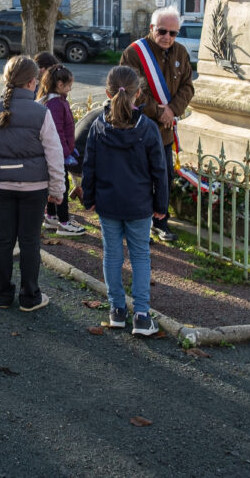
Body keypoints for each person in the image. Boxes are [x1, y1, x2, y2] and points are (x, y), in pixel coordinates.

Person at [81, 66, 168, 337]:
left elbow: (89, 166)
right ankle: (141, 315)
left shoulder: (98, 126)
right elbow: (160, 171)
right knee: (140, 256)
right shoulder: (148, 128)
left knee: (112, 254)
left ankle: (116, 310)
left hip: (108, 202)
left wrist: (89, 198)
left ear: (108, 93)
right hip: (139, 203)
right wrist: (161, 205)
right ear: (138, 93)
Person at [0, 56, 65, 312]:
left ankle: (2, 294)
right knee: (29, 241)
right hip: (34, 187)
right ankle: (30, 296)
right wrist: (57, 189)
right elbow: (54, 153)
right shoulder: (41, 113)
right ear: (32, 82)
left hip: (1, 185)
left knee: (3, 239)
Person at [120, 5, 194, 242]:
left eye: (173, 33)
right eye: (162, 31)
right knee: (139, 179)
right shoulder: (134, 53)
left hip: (164, 131)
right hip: (140, 128)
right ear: (152, 28)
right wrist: (159, 111)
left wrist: (172, 110)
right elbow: (130, 89)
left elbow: (187, 86)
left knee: (164, 178)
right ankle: (138, 225)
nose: (167, 37)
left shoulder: (180, 52)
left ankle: (160, 222)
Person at [37, 63, 84, 236]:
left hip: (56, 152)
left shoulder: (53, 100)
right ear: (60, 84)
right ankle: (63, 222)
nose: (70, 88)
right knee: (61, 186)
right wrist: (65, 153)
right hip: (57, 154)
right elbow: (57, 131)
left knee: (53, 184)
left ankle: (51, 216)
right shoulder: (55, 103)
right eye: (69, 85)